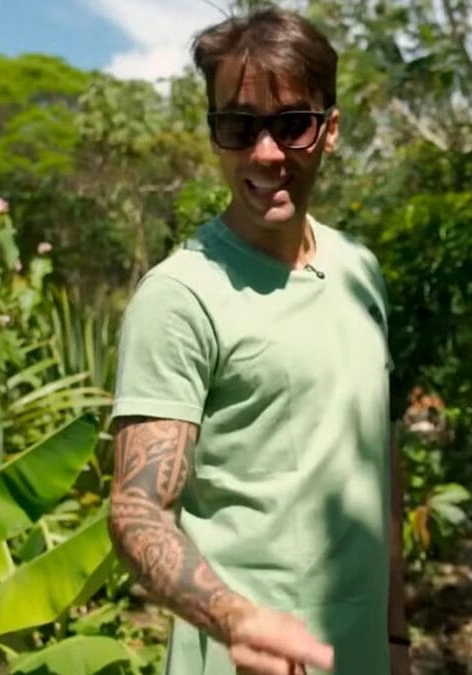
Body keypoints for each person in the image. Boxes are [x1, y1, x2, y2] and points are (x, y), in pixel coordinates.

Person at [108, 7, 408, 675]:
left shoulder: (360, 270)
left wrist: (395, 640)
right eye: (238, 126)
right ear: (216, 135)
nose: (265, 153)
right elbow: (136, 506)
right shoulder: (180, 296)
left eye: (291, 124)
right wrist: (237, 618)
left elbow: (379, 462)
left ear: (329, 131)